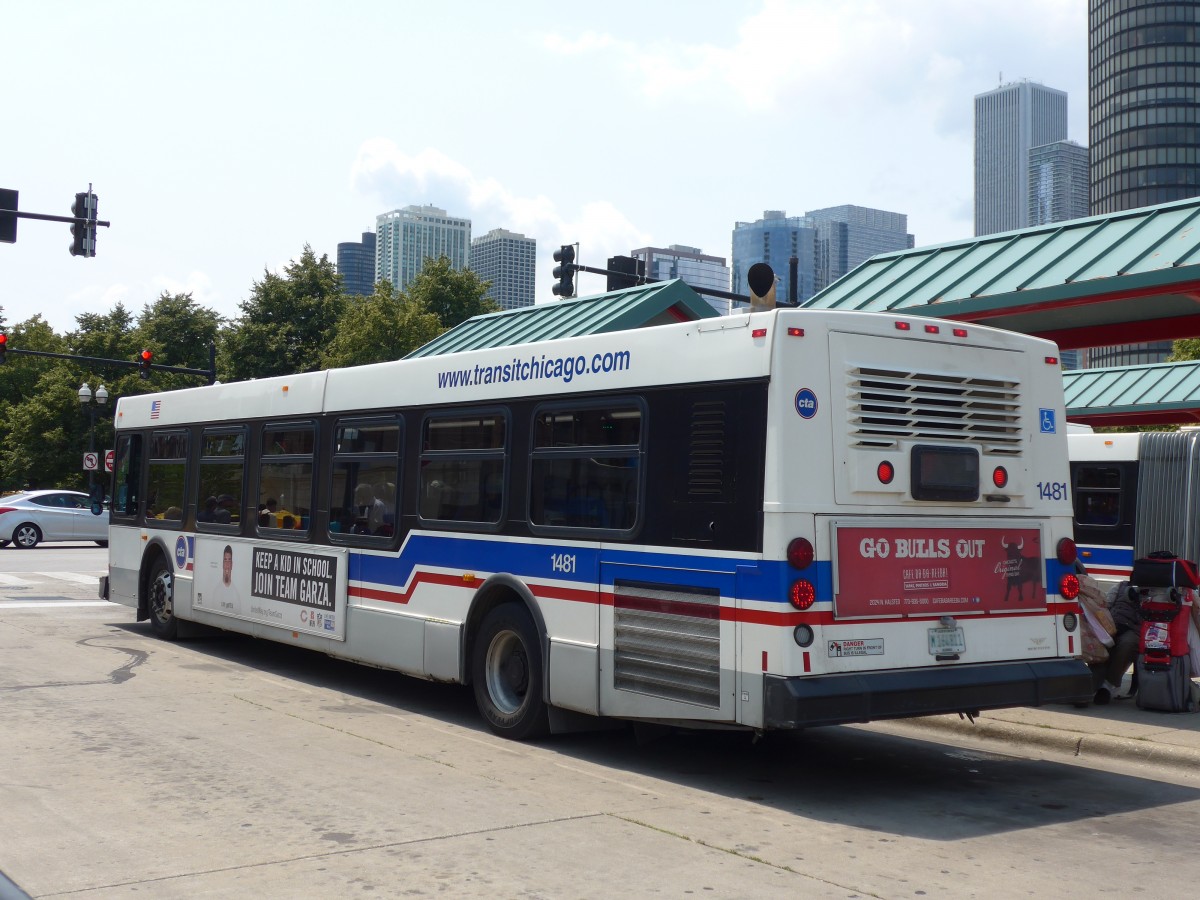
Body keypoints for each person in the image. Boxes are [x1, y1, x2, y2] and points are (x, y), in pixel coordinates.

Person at [1095, 580, 1141, 704]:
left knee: (1127, 644)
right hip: (1115, 624)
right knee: (1100, 641)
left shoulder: (1152, 593)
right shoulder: (1120, 587)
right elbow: (1106, 605)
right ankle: (1095, 682)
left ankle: (1108, 685)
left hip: (1134, 629)